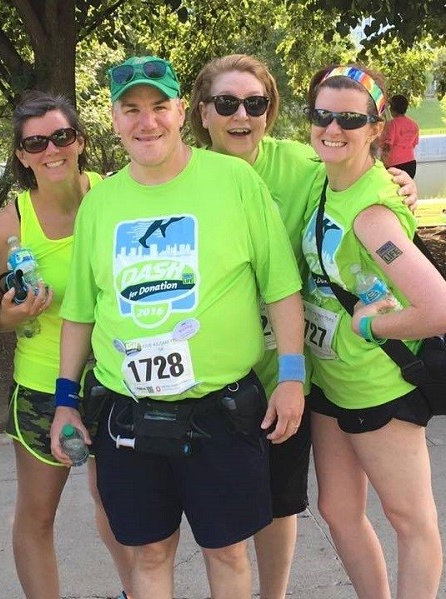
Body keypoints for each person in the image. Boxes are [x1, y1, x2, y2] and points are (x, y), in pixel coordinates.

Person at [50, 55, 306, 599]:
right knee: (149, 551)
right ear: (114, 119)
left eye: (159, 106)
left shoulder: (234, 180)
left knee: (228, 551)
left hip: (222, 408)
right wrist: (66, 399)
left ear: (181, 110)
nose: (147, 122)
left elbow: (281, 286)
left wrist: (290, 377)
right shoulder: (100, 203)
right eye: (131, 109)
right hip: (129, 412)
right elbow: (80, 311)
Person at [188, 53, 419, 599]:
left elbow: (357, 178)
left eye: (255, 103)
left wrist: (398, 185)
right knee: (218, 516)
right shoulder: (186, 176)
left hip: (289, 372)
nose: (240, 114)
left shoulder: (302, 164)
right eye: (226, 103)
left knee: (279, 501)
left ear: (270, 111)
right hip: (211, 373)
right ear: (201, 113)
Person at [0, 90, 134, 599]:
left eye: (61, 136)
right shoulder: (11, 225)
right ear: (23, 155)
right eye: (36, 142)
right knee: (37, 516)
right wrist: (15, 311)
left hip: (118, 381)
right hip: (44, 387)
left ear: (80, 141)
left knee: (120, 509)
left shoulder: (117, 199)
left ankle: (139, 591)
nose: (52, 150)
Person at [303, 65, 445, 598]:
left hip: (378, 385)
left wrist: (371, 325)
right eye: (322, 115)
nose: (333, 127)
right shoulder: (324, 177)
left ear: (375, 127)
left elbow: (437, 306)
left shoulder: (371, 214)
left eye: (349, 118)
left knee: (409, 520)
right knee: (338, 511)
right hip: (328, 382)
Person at [380, 94, 419, 178]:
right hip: (411, 163)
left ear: (393, 108)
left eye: (390, 107)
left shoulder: (392, 124)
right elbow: (414, 144)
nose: (389, 109)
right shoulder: (414, 125)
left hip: (394, 164)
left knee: (394, 190)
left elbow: (388, 146)